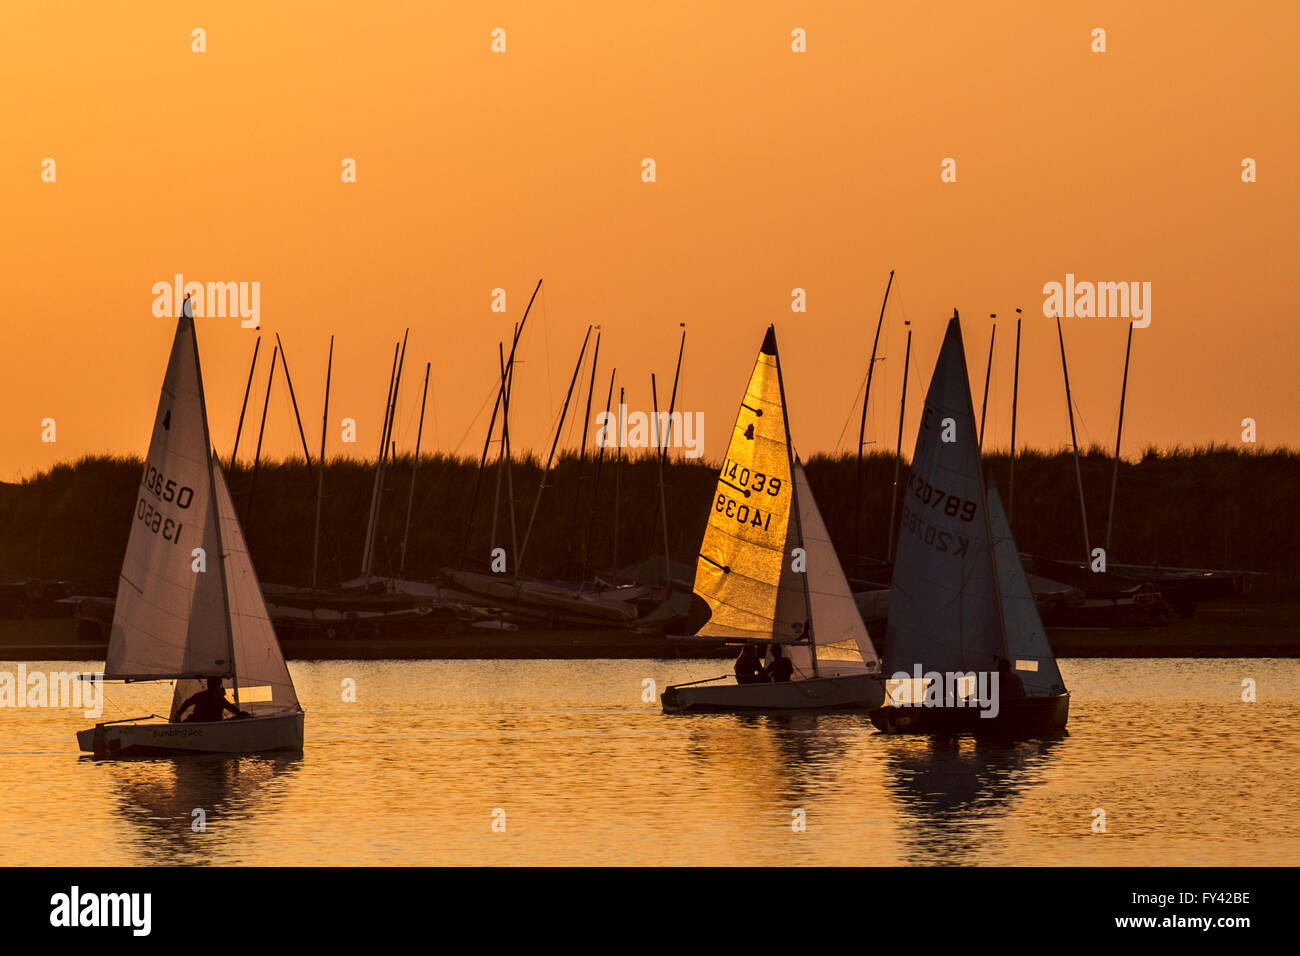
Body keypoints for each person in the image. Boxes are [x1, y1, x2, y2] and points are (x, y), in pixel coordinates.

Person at [175, 677, 249, 723]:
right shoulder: (219, 698)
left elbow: (187, 703)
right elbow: (230, 707)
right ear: (217, 686)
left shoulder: (200, 695)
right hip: (211, 724)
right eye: (220, 686)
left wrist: (179, 714)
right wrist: (240, 714)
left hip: (198, 722)